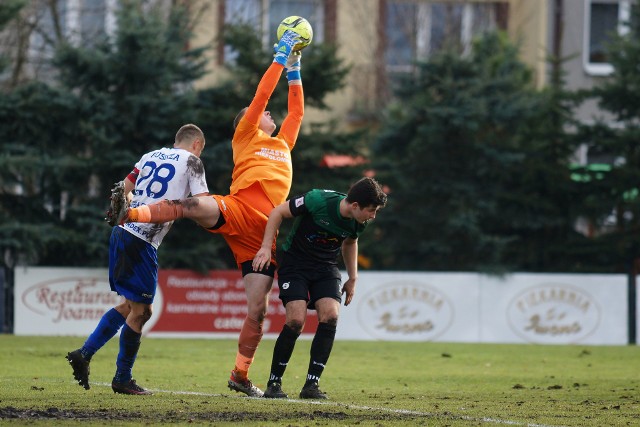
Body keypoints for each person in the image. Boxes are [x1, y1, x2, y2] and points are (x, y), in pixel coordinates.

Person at [111, 30, 305, 397]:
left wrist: (295, 69)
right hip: (239, 207)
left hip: (264, 232)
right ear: (246, 120)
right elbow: (261, 95)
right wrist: (280, 58)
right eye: (262, 112)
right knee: (194, 205)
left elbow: (297, 111)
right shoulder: (246, 135)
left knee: (258, 310)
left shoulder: (284, 143)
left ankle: (240, 375)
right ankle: (130, 212)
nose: (268, 112)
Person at [66, 124, 209, 395]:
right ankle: (122, 378)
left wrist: (125, 210)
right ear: (197, 144)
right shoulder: (193, 161)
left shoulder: (150, 156)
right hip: (142, 239)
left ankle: (84, 354)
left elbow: (123, 189)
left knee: (130, 306)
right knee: (143, 312)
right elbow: (202, 203)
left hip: (122, 232)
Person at [252, 177, 387, 400]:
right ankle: (274, 383)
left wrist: (353, 278)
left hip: (325, 267)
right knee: (296, 320)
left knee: (331, 316)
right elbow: (278, 212)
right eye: (371, 210)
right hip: (295, 264)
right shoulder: (318, 200)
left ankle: (311, 386)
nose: (373, 216)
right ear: (355, 206)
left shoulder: (358, 221)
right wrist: (266, 248)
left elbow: (350, 242)